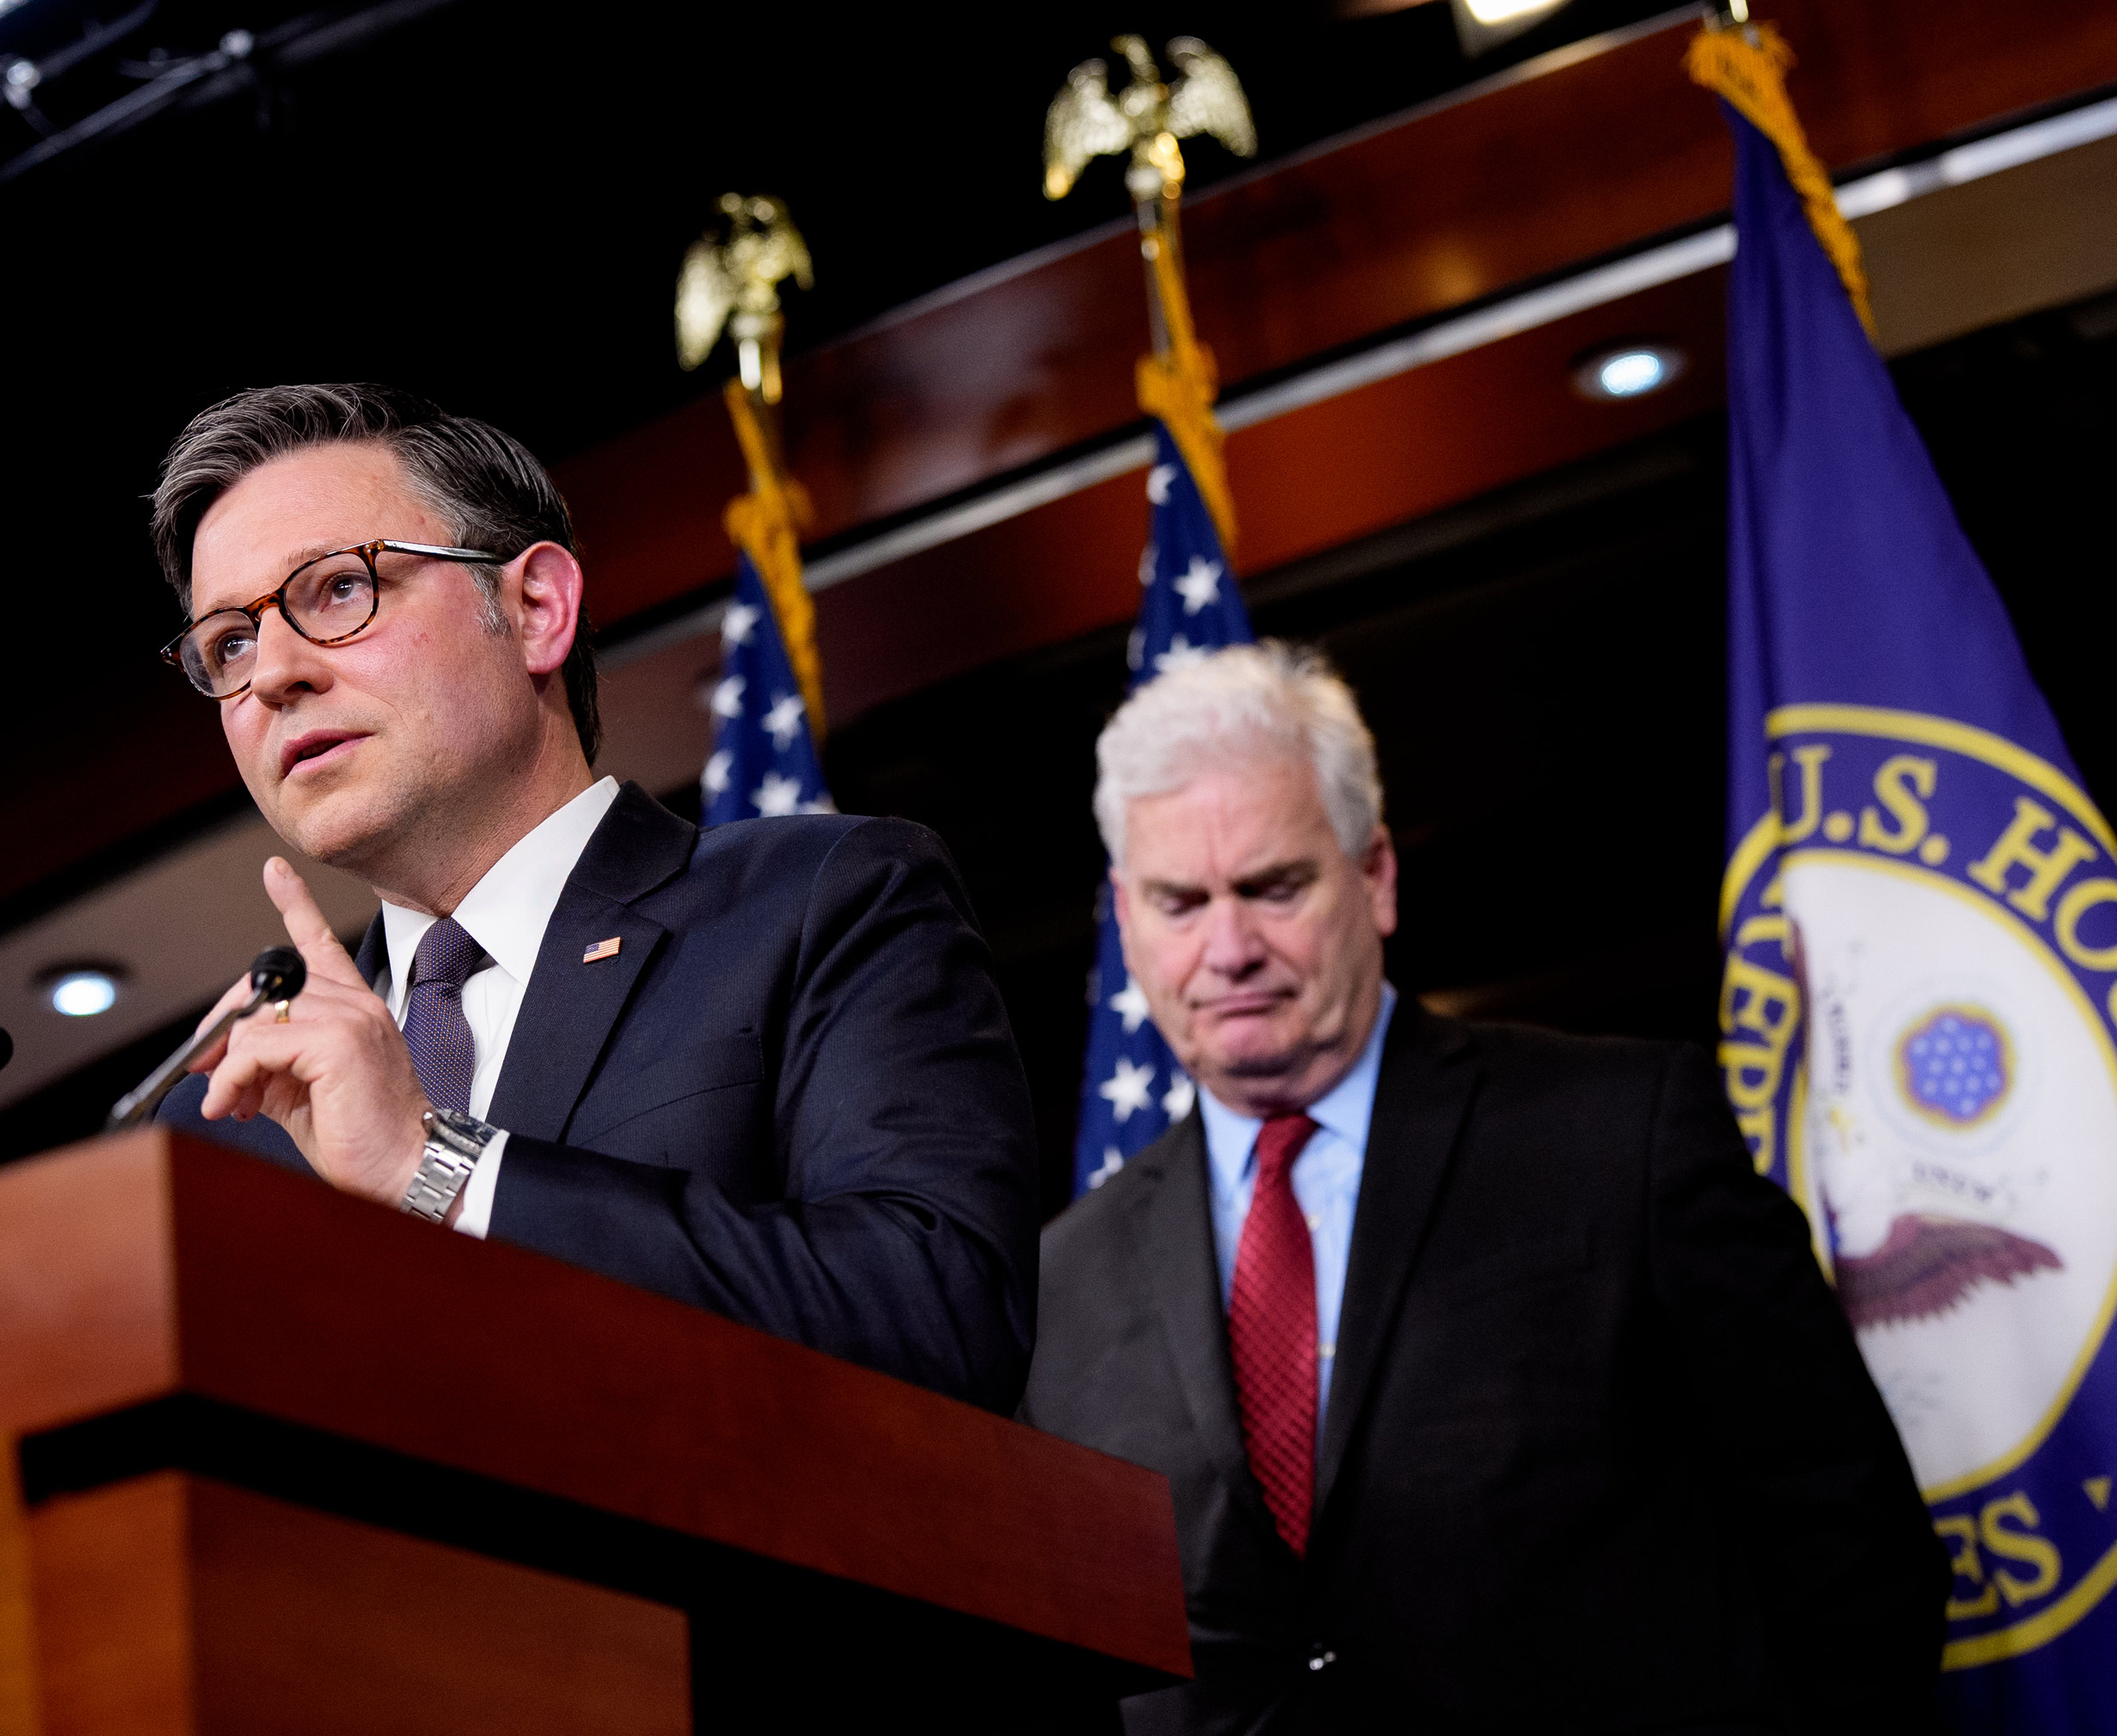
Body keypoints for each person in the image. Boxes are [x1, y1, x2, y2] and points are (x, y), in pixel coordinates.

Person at [1022, 642, 1943, 1733]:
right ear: (1125, 919)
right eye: (1180, 902)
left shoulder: (1620, 1137)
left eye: (1274, 887)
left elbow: (1857, 1556)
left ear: (1377, 877)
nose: (1229, 948)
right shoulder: (1058, 1281)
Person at [140, 382, 1037, 1412]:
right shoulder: (228, 1113)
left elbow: (941, 1311)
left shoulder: (821, 903)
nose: (273, 677)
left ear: (535, 609)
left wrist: (437, 1167)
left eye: (338, 590)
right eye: (229, 644)